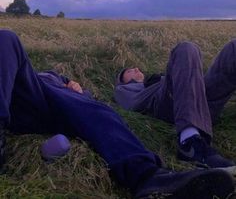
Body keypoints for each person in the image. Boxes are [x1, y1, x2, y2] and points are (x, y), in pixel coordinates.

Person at [0, 31, 234, 199]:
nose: (137, 70)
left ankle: (150, 177)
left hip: (56, 106)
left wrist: (74, 86)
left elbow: (83, 101)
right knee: (6, 38)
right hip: (27, 98)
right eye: (130, 71)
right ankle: (150, 173)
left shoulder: (68, 88)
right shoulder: (35, 75)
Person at [114, 40, 236, 175]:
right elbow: (132, 104)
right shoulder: (123, 89)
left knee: (233, 48)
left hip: (200, 103)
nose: (136, 69)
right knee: (186, 48)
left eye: (136, 68)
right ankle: (189, 143)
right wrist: (160, 83)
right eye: (130, 71)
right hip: (173, 106)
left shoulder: (153, 80)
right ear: (122, 81)